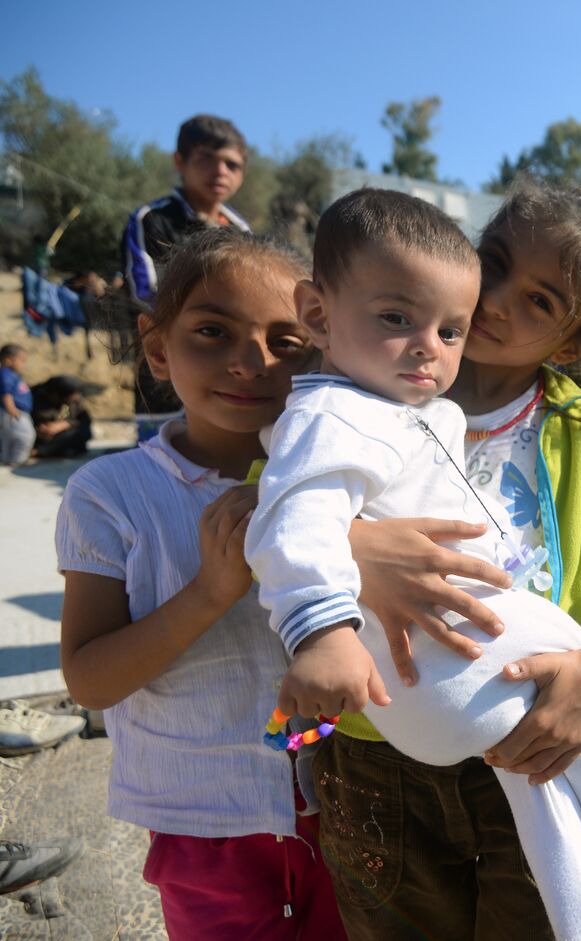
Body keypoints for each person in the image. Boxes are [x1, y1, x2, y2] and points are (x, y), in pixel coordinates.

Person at [272, 183, 581, 941]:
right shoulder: (358, 388)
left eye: (542, 301)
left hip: (539, 732)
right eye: (495, 263)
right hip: (376, 746)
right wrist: (357, 549)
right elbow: (279, 505)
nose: (499, 302)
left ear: (570, 343)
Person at [55, 228, 347, 940]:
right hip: (203, 827)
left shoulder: (337, 484)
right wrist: (209, 593)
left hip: (346, 806)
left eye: (286, 341)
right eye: (213, 331)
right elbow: (89, 682)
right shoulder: (110, 493)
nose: (251, 362)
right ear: (157, 346)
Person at [121, 114, 251, 441]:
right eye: (206, 158)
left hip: (230, 362)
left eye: (231, 164)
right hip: (166, 363)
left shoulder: (242, 231)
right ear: (180, 161)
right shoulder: (152, 220)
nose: (220, 171)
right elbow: (146, 289)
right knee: (162, 456)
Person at [30, 375, 93, 458]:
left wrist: (65, 424)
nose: (76, 398)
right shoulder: (33, 397)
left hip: (62, 436)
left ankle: (40, 452)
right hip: (38, 436)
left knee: (82, 434)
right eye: (71, 396)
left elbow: (84, 420)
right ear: (56, 395)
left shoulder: (75, 399)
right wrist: (38, 430)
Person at [1, 344, 35, 466]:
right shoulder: (6, 374)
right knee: (25, 435)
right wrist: (12, 409)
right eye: (22, 361)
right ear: (8, 360)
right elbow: (6, 393)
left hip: (10, 413)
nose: (23, 365)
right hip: (14, 412)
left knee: (8, 438)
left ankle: (7, 459)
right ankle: (19, 460)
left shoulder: (11, 375)